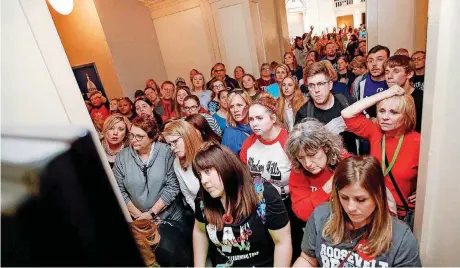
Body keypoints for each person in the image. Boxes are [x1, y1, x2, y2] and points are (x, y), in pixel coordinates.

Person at [293, 156, 422, 267]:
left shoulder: (400, 237)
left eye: (360, 200)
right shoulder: (321, 216)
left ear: (377, 197)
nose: (350, 207)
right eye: (344, 198)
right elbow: (308, 260)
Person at [192, 143, 292, 267]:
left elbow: (282, 242)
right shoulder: (203, 199)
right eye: (199, 175)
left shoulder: (263, 194)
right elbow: (200, 230)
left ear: (225, 166)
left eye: (207, 172)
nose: (204, 181)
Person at [113, 114, 189, 266]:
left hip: (169, 217)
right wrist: (140, 216)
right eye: (132, 135)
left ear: (152, 137)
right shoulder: (122, 157)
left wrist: (152, 213)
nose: (133, 140)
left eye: (139, 136)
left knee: (174, 256)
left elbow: (173, 186)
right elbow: (119, 189)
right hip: (139, 222)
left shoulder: (167, 152)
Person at [342, 85, 420, 221]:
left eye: (394, 112)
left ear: (407, 115)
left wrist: (425, 193)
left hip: (401, 215)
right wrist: (386, 94)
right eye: (382, 111)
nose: (385, 117)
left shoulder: (419, 142)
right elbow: (347, 113)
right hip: (374, 210)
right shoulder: (376, 132)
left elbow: (438, 177)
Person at [240, 95, 304, 261]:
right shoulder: (249, 144)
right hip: (259, 206)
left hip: (287, 205)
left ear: (273, 118)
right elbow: (244, 175)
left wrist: (280, 189)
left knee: (291, 248)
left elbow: (304, 181)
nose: (254, 123)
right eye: (251, 119)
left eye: (259, 118)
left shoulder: (289, 142)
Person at [285, 119, 351, 222]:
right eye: (301, 157)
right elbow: (302, 213)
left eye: (312, 155)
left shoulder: (348, 164)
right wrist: (328, 188)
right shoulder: (298, 169)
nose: (307, 164)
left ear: (325, 148)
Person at [295, 61, 358, 154]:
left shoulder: (347, 102)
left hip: (349, 165)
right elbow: (299, 150)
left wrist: (354, 125)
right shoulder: (303, 114)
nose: (316, 90)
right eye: (311, 85)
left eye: (320, 84)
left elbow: (367, 134)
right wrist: (326, 132)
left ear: (330, 85)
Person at [162, 120, 203, 212]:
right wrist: (201, 215)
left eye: (175, 141)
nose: (172, 148)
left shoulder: (211, 155)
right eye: (169, 144)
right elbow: (188, 195)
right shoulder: (177, 163)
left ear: (187, 137)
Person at [385, 55, 424, 133]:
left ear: (409, 74)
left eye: (396, 71)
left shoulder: (422, 98)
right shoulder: (384, 97)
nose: (389, 76)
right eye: (387, 72)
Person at [352, 45, 390, 118]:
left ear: (388, 61)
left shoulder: (393, 81)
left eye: (379, 59)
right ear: (367, 64)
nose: (374, 64)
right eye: (370, 61)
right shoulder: (359, 81)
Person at [221, 90, 253, 155]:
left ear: (248, 106)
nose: (235, 110)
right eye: (232, 106)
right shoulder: (230, 134)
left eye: (239, 105)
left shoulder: (256, 126)